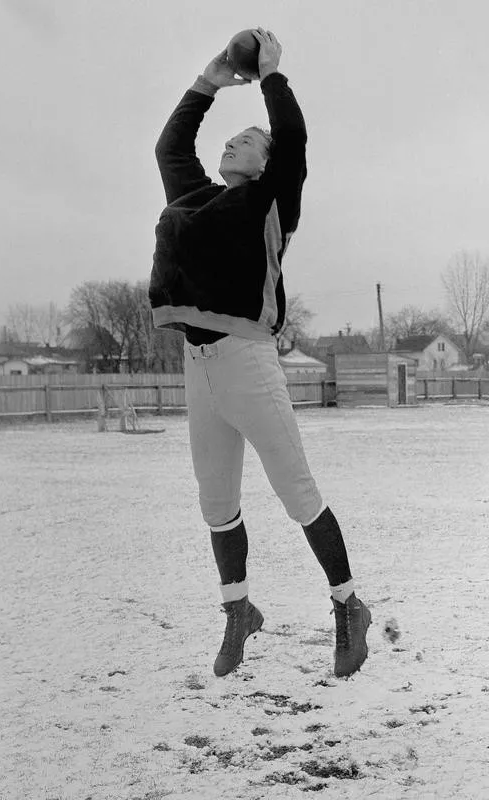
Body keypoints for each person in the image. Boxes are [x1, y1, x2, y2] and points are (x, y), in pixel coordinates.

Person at [149, 29, 371, 678]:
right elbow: (170, 145)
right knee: (214, 502)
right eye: (230, 137)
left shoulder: (269, 199)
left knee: (296, 491)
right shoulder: (191, 195)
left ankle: (346, 605)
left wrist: (270, 75)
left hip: (246, 361)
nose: (231, 142)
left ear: (265, 163)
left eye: (246, 140)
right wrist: (212, 77)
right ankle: (238, 611)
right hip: (198, 367)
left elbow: (292, 141)